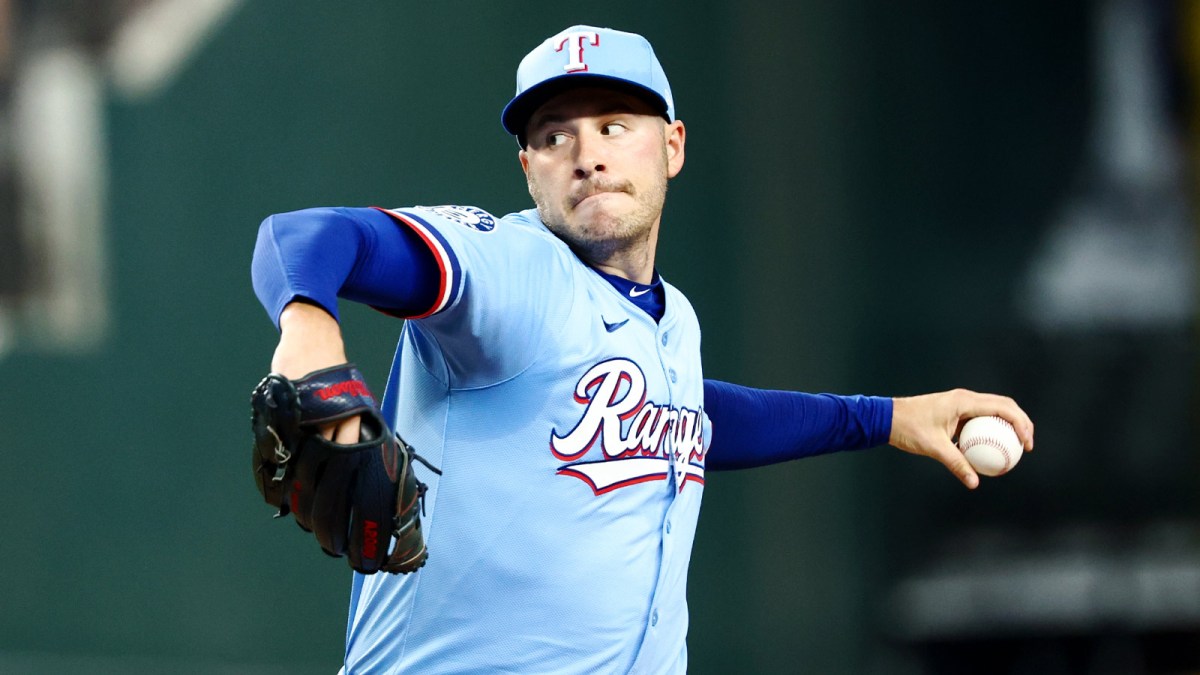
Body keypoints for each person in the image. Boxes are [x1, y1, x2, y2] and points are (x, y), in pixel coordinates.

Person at [251, 24, 1035, 674]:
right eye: (554, 136)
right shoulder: (513, 272)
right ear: (528, 171)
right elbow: (306, 236)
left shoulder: (673, 322)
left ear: (673, 145)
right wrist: (309, 331)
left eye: (613, 126)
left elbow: (686, 415)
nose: (586, 154)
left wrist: (887, 417)